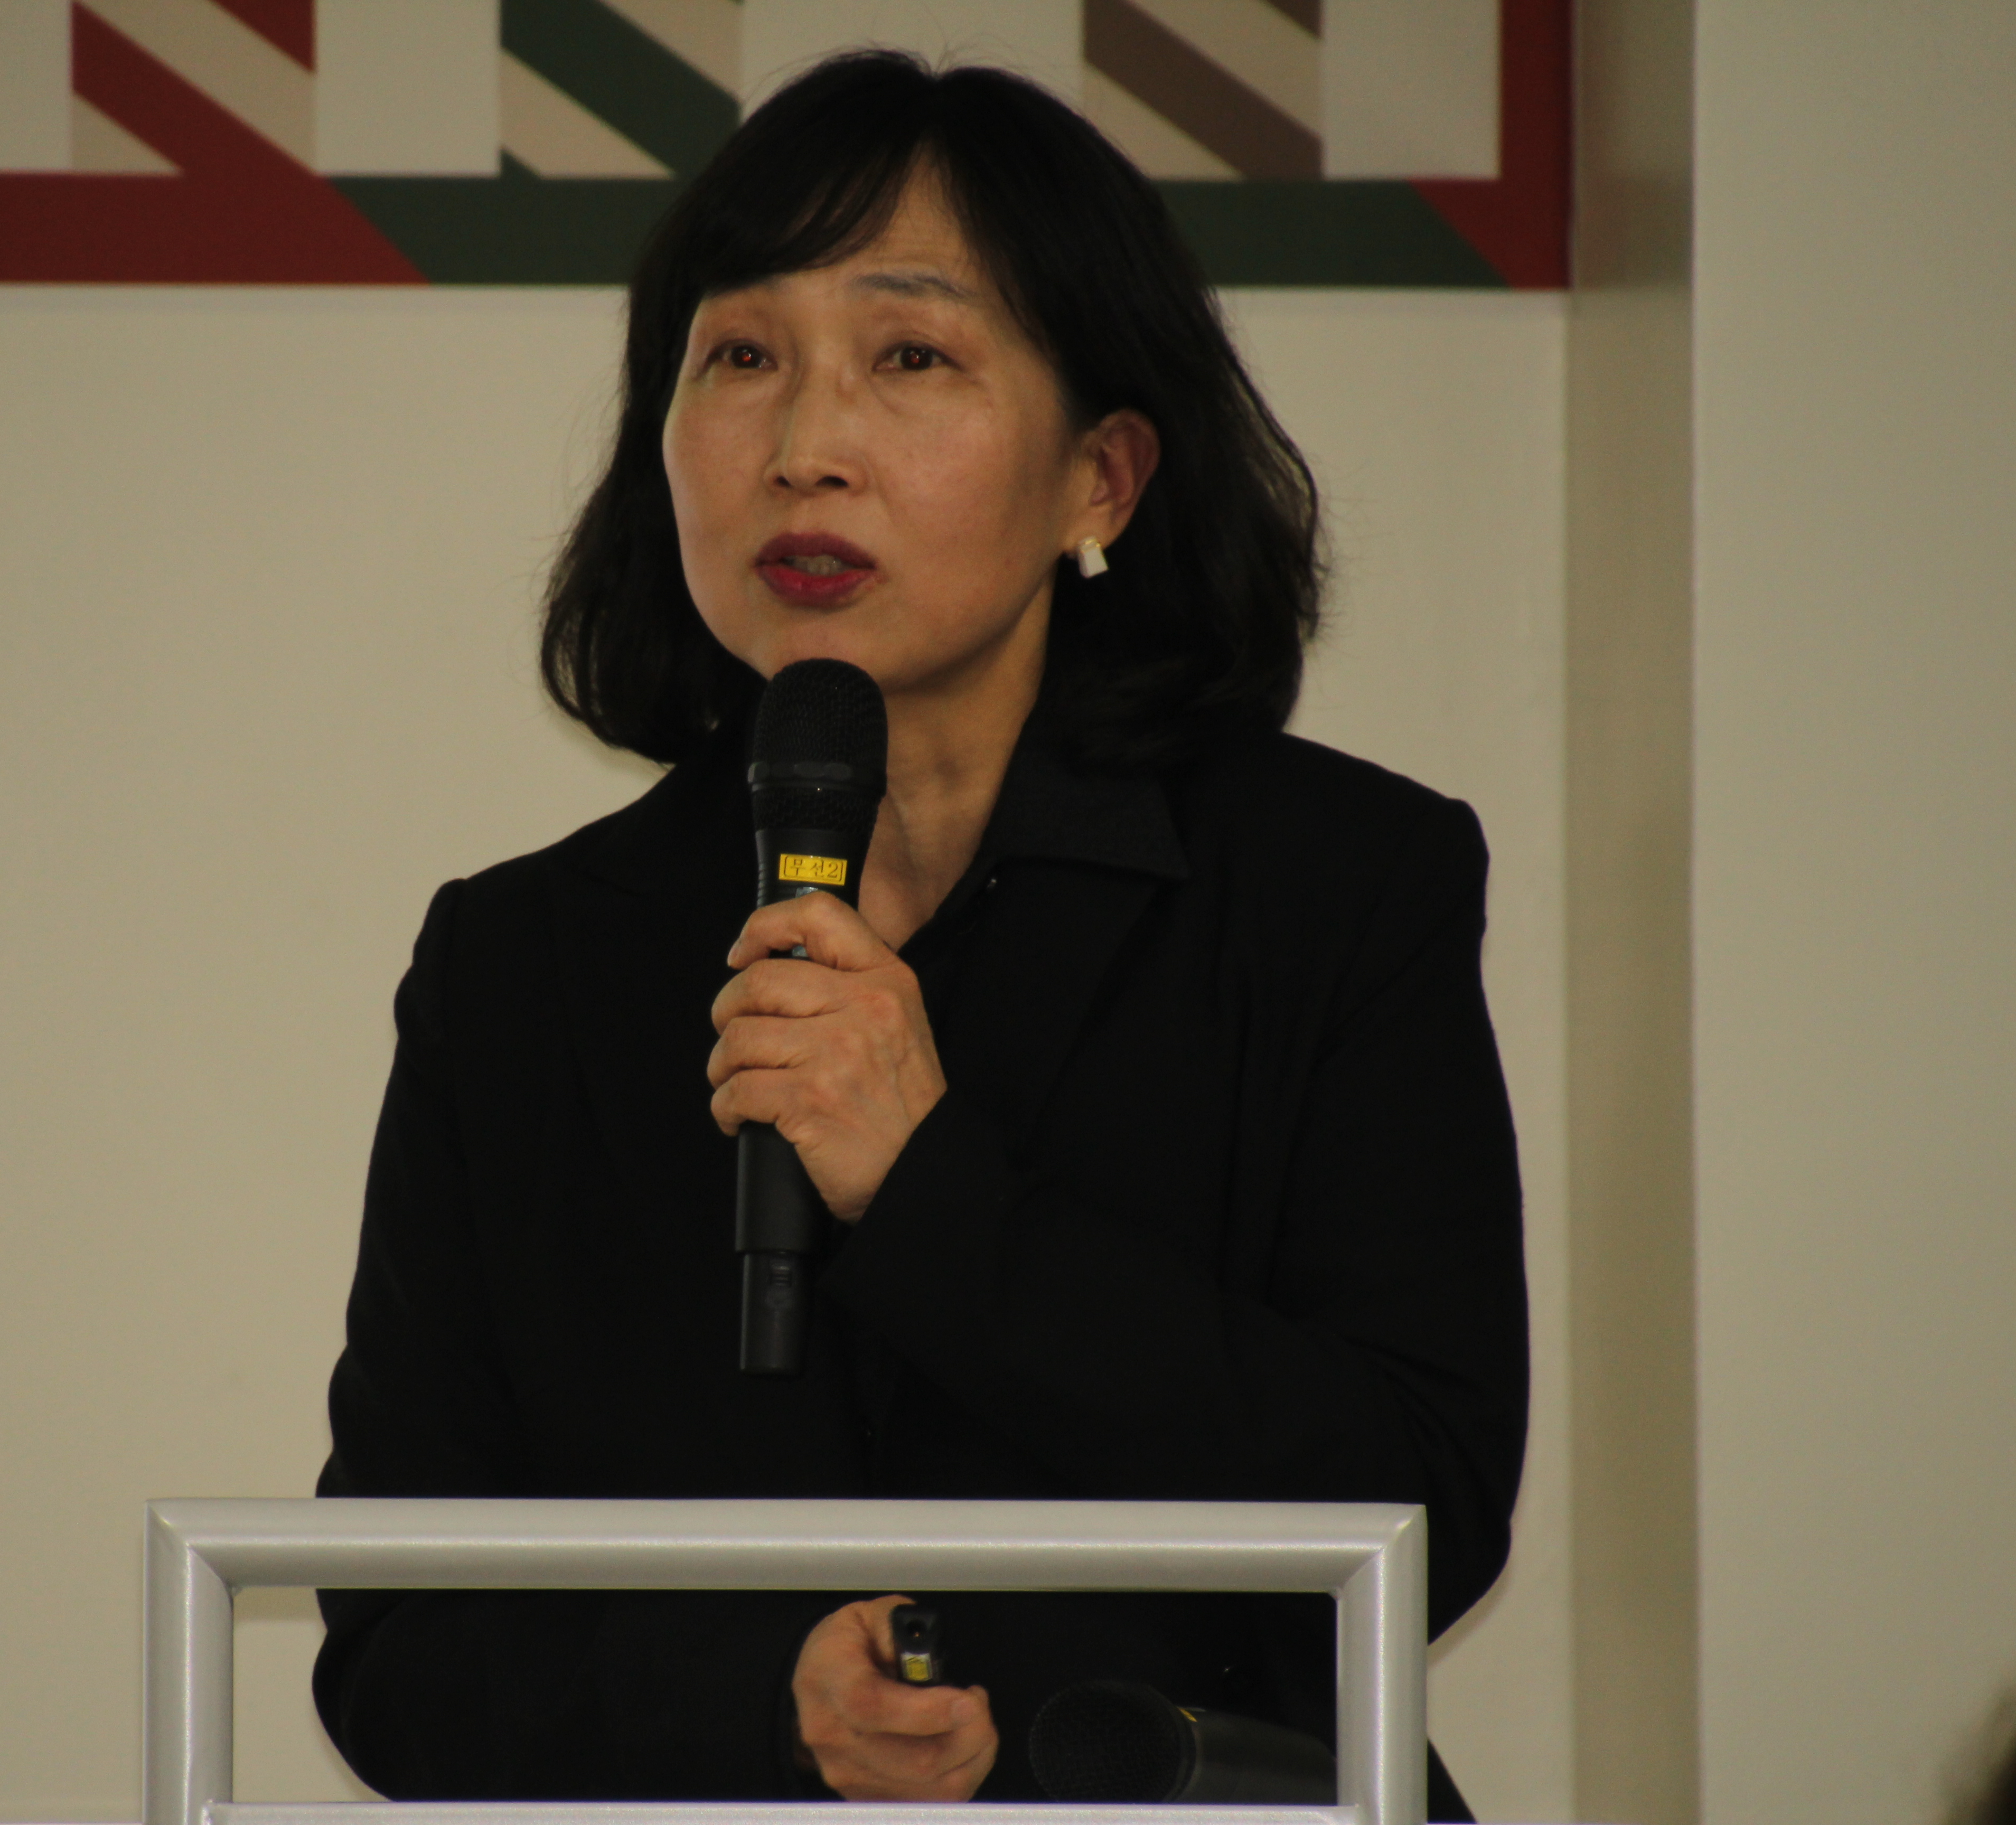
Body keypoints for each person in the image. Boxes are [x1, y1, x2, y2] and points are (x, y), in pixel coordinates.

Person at [310, 50, 1527, 1821]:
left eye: (910, 357)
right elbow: (395, 1642)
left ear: (1102, 477)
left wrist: (931, 1187)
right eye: (741, 357)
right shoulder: (524, 966)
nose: (805, 448)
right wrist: (765, 1708)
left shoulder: (1336, 886)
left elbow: (1423, 1509)